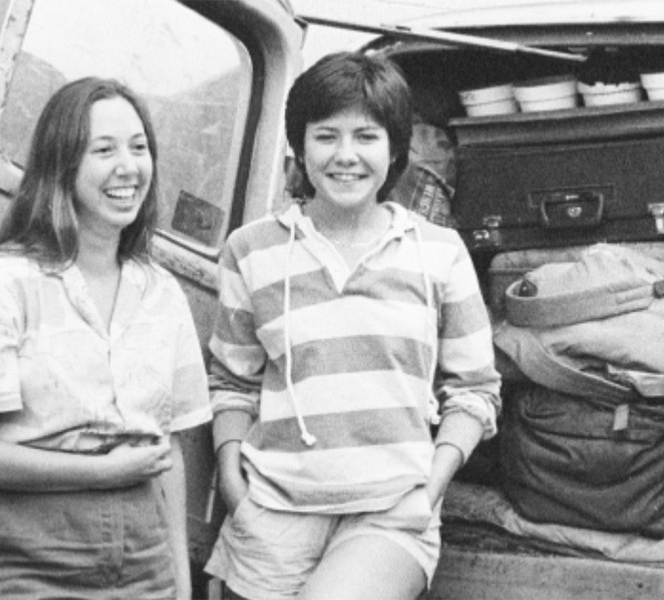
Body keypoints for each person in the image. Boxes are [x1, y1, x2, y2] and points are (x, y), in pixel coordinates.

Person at [204, 52, 501, 600]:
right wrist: (232, 482)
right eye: (326, 136)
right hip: (271, 509)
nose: (346, 156)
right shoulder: (250, 251)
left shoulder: (438, 252)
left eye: (366, 136)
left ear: (394, 150)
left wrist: (429, 489)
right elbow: (232, 382)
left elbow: (476, 391)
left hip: (391, 512)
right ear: (300, 145)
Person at [0, 77, 210, 600]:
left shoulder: (161, 292)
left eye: (139, 147)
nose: (128, 166)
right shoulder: (0, 283)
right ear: (62, 166)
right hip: (28, 549)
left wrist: (180, 582)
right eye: (103, 150)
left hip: (143, 550)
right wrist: (99, 473)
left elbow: (166, 449)